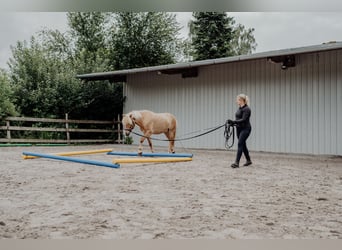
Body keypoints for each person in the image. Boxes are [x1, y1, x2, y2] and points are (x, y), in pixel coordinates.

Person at [228, 94, 252, 168]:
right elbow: (238, 119)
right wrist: (232, 123)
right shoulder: (239, 109)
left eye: (237, 100)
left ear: (241, 100)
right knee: (243, 144)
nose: (236, 101)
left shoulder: (247, 109)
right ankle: (248, 160)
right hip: (239, 129)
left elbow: (244, 120)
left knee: (240, 144)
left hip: (245, 129)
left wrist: (234, 122)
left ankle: (236, 163)